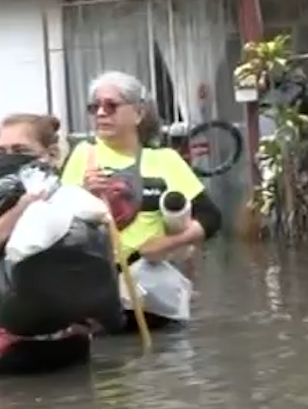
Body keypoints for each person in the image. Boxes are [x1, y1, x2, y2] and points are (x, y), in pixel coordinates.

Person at [61, 70, 223, 331]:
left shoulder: (165, 161)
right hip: (93, 302)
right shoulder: (83, 156)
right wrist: (84, 193)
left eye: (111, 106)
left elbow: (211, 218)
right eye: (95, 107)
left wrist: (168, 243)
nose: (101, 113)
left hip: (152, 296)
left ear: (138, 113)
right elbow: (57, 223)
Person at [0, 113, 93, 375]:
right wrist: (17, 213)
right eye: (1, 152)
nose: (9, 158)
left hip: (69, 347)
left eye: (20, 150)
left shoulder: (73, 199)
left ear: (51, 153)